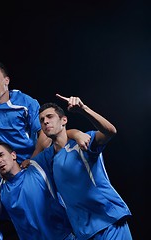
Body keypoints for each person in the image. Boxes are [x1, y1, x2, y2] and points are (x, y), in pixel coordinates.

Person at [33, 94, 132, 239]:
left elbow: (110, 131)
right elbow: (27, 165)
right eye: (42, 120)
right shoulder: (48, 158)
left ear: (64, 120)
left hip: (110, 222)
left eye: (50, 117)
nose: (45, 121)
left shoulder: (82, 142)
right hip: (84, 233)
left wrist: (84, 110)